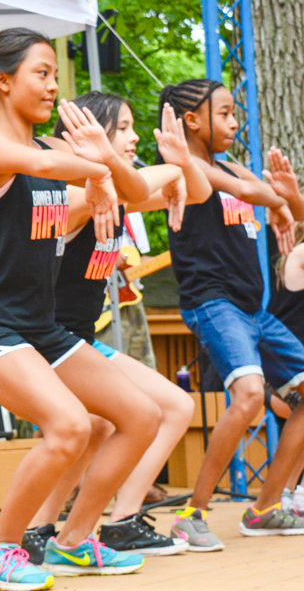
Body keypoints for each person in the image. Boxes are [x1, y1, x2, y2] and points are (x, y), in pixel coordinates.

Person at [0, 28, 161, 589]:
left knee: (141, 417)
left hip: (40, 330)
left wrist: (107, 162)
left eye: (54, 76)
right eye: (41, 73)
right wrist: (95, 174)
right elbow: (56, 172)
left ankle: (72, 542)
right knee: (67, 426)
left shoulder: (50, 151)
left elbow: (134, 193)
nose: (52, 87)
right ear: (3, 79)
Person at [21, 92, 209, 561]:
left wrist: (181, 162)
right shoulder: (82, 196)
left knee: (152, 413)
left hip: (79, 339)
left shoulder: (117, 194)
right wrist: (152, 174)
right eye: (122, 128)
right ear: (91, 133)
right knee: (126, 417)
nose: (134, 137)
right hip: (46, 340)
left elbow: (201, 192)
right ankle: (64, 527)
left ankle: (82, 524)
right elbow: (136, 189)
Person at [161, 78, 304, 549]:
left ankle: (265, 507)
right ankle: (191, 512)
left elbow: (281, 207)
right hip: (214, 303)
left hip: (252, 310)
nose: (233, 121)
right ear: (191, 120)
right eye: (223, 113)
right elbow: (255, 194)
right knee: (247, 397)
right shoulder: (186, 169)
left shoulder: (232, 168)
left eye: (233, 112)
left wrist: (286, 201)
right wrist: (274, 197)